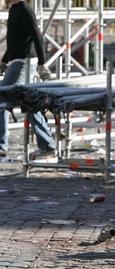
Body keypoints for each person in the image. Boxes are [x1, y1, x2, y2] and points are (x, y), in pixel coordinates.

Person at [0, 0, 54, 159]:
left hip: (24, 63)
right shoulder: (14, 9)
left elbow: (37, 36)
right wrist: (4, 61)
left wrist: (42, 63)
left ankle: (1, 145)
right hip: (18, 62)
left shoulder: (24, 9)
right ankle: (47, 144)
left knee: (2, 98)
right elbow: (15, 42)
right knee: (29, 102)